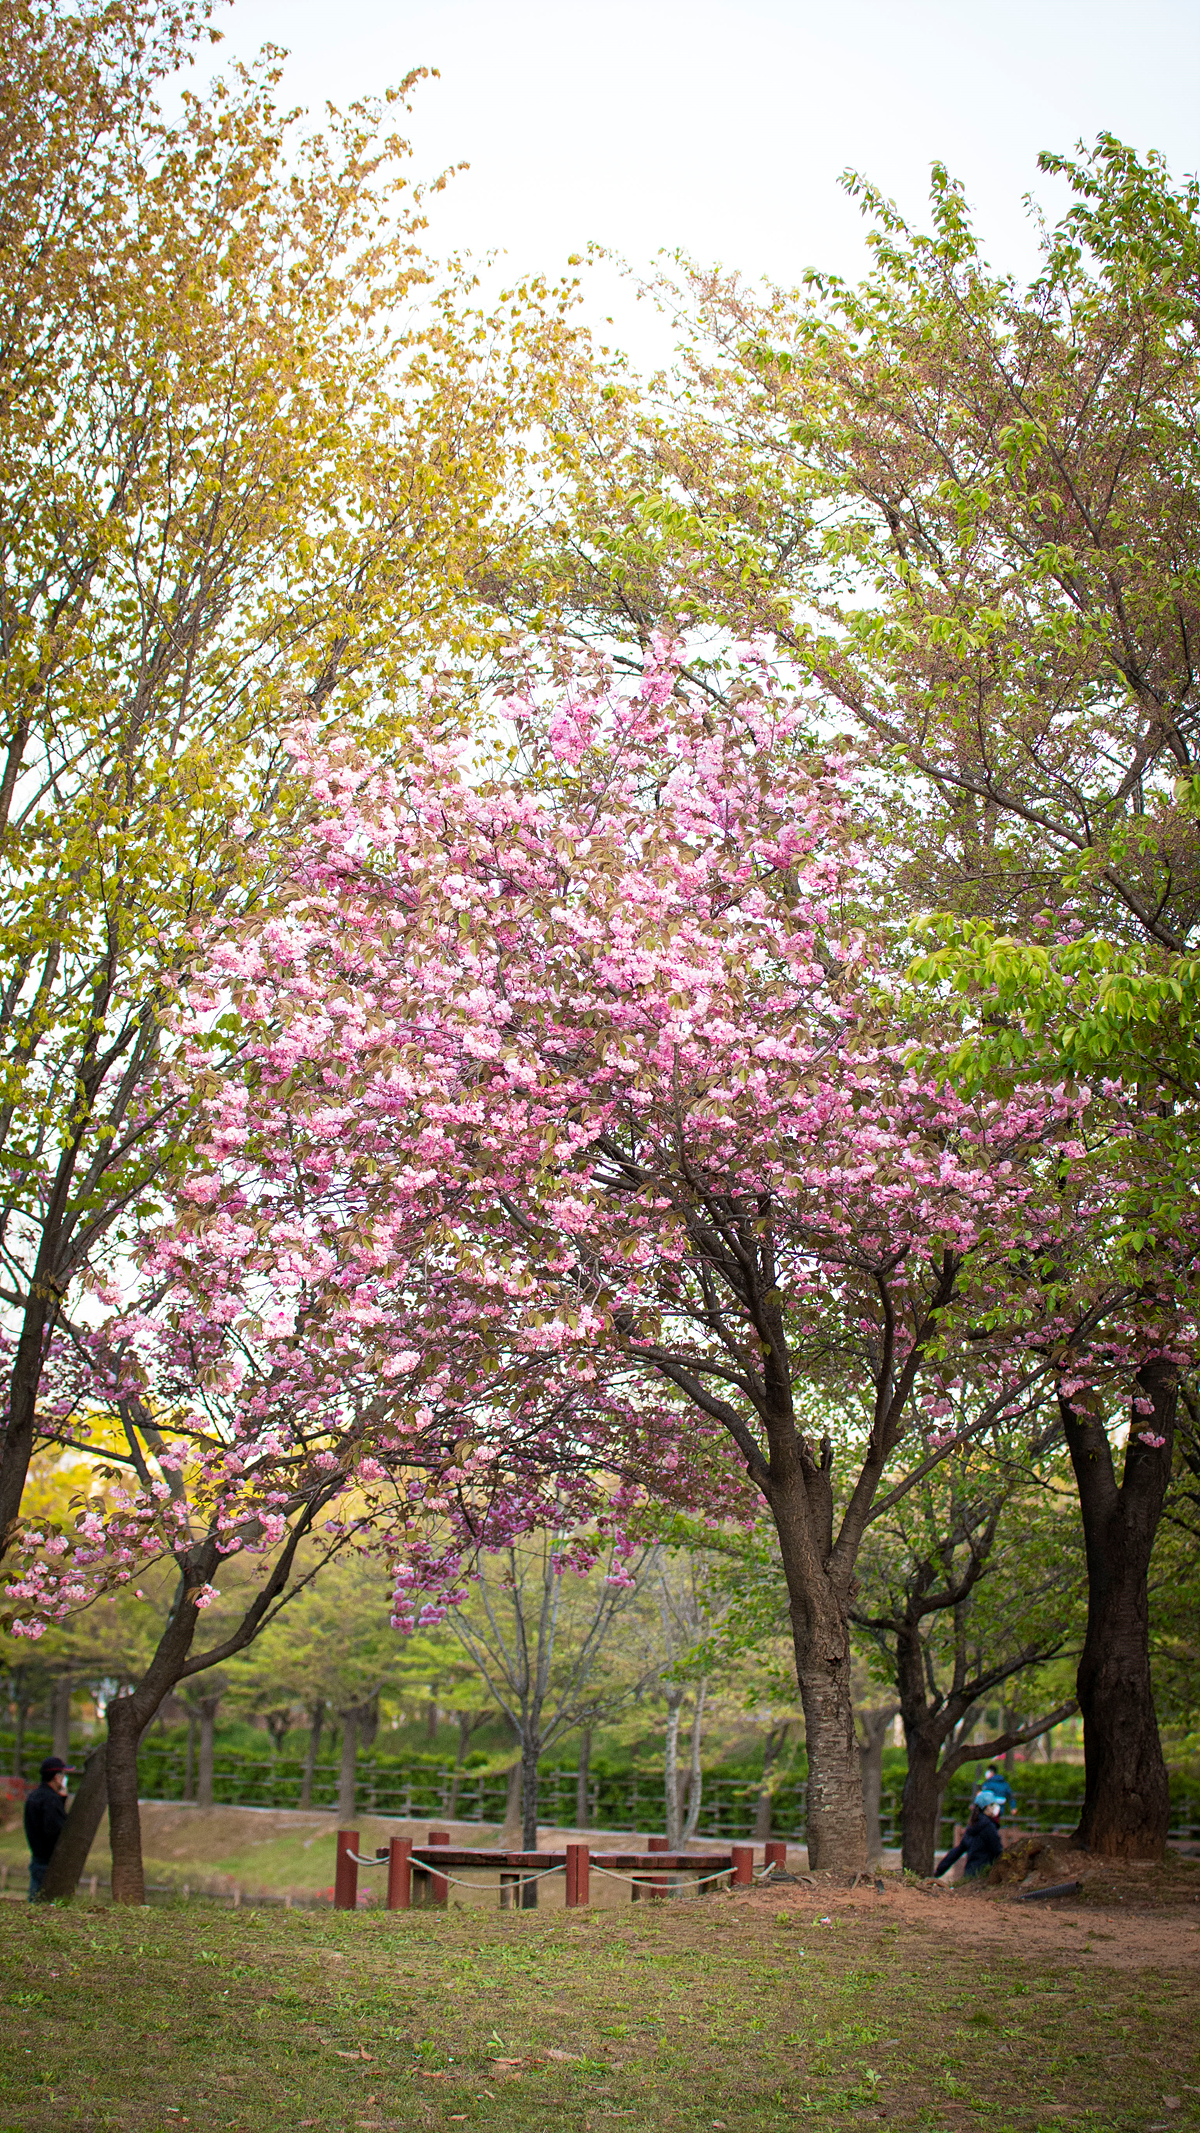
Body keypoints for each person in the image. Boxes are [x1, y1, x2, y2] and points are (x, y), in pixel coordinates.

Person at [24, 1756, 71, 1901]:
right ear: (57, 1777)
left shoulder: (34, 1797)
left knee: (35, 1896)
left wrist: (61, 1800)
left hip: (37, 1857)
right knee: (43, 1901)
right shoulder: (51, 1800)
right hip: (48, 1860)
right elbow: (54, 1829)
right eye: (63, 1774)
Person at [934, 1801, 1003, 1881]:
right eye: (993, 1805)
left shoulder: (972, 1826)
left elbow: (957, 1852)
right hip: (985, 1873)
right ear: (987, 1808)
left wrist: (939, 1871)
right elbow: (997, 1850)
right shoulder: (989, 1827)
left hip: (970, 1872)